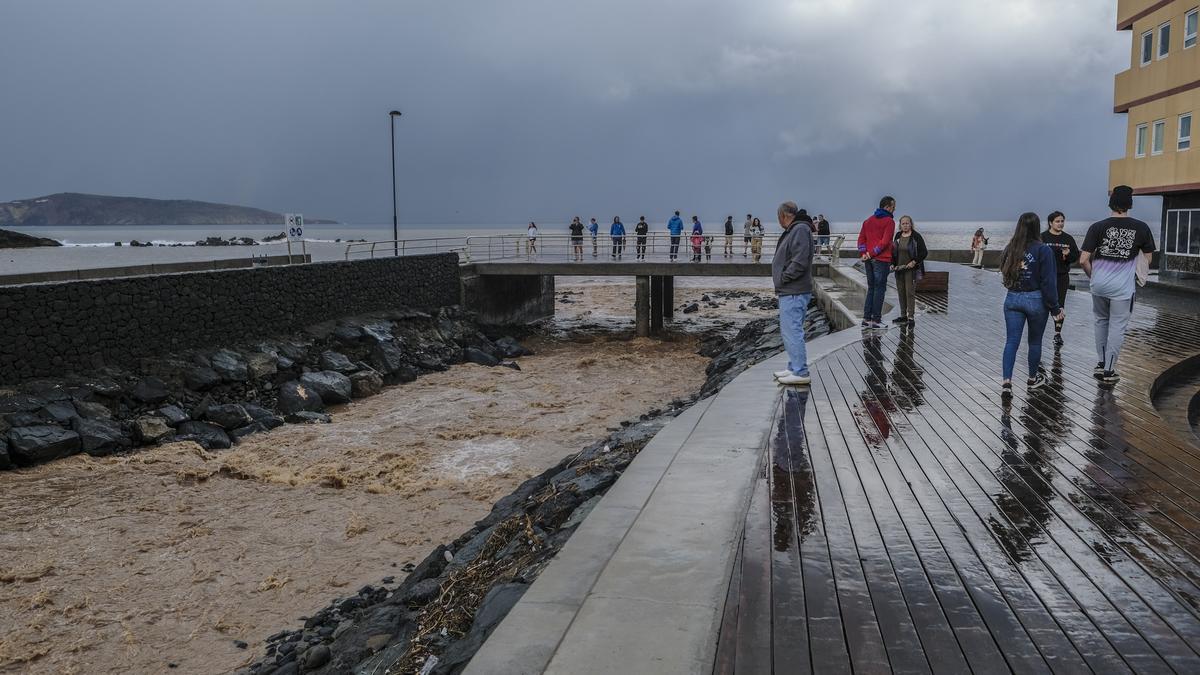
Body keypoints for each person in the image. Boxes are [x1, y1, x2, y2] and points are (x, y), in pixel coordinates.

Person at [1079, 185, 1155, 384]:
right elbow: (1147, 260)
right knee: (1117, 327)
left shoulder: (1097, 227)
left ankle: (1101, 362)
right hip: (1122, 288)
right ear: (1129, 204)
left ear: (1111, 203)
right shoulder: (1141, 227)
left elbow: (1083, 259)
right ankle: (1109, 370)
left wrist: (1093, 276)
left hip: (1099, 285)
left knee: (1100, 321)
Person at [999, 212, 1062, 398]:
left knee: (1011, 342)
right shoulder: (1043, 250)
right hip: (1036, 300)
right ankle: (1033, 379)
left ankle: (1006, 382)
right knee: (1034, 342)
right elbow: (1048, 282)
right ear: (1037, 227)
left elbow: (1004, 272)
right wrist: (1055, 308)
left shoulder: (1011, 248)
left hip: (1013, 298)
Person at [770, 201, 815, 386]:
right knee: (789, 330)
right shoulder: (796, 229)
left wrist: (783, 278)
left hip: (794, 290)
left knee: (793, 331)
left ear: (784, 215)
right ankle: (793, 366)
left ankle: (801, 371)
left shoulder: (800, 230)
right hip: (790, 290)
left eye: (778, 217)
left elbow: (800, 260)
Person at [857, 196, 896, 330]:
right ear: (887, 207)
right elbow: (885, 242)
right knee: (879, 289)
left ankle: (866, 319)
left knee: (871, 288)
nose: (894, 210)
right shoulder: (889, 221)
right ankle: (876, 320)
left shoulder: (867, 221)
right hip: (881, 260)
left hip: (869, 260)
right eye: (893, 207)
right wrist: (872, 253)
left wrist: (864, 254)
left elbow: (861, 240)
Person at [1042, 211, 1080, 347]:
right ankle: (1038, 333)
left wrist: (1068, 254)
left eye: (1062, 221)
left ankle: (1057, 333)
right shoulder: (1042, 237)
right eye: (1057, 221)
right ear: (1050, 223)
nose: (1060, 224)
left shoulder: (1068, 239)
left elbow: (1075, 257)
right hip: (1044, 277)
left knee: (1059, 305)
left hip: (1061, 276)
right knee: (1042, 305)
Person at [891, 215, 928, 325]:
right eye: (903, 223)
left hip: (911, 270)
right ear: (900, 225)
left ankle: (911, 317)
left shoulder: (916, 236)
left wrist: (914, 261)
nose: (905, 225)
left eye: (907, 223)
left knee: (909, 293)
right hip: (899, 269)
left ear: (911, 224)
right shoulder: (897, 236)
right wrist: (892, 263)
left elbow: (924, 252)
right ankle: (903, 316)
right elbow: (893, 252)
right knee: (901, 293)